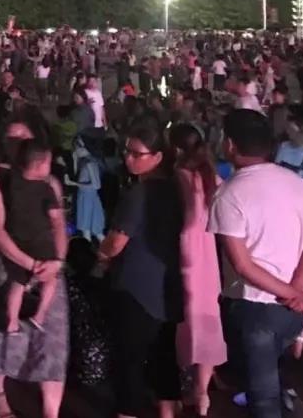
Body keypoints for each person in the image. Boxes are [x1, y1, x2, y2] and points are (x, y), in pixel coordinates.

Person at [209, 109, 303, 418]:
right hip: (295, 309)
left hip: (256, 308)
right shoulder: (299, 185)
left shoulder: (229, 194)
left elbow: (242, 265)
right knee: (277, 384)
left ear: (230, 144)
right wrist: (297, 291)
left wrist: (292, 293)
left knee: (262, 397)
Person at [0, 113, 68, 418]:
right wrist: (31, 264)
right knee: (5, 331)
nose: (16, 144)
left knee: (53, 336)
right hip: (13, 265)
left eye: (22, 138)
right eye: (10, 139)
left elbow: (58, 225)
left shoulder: (49, 181)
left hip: (48, 266)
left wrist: (56, 263)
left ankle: (51, 409)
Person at [96, 120, 184, 418]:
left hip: (135, 284)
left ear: (157, 156)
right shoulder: (177, 190)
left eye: (136, 153)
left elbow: (116, 242)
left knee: (129, 359)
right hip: (168, 284)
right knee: (164, 355)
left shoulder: (139, 194)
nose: (128, 158)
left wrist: (101, 255)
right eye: (127, 152)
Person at [170, 121, 226, 416]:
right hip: (209, 253)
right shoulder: (212, 176)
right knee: (207, 319)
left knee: (183, 317)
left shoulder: (179, 175)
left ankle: (182, 390)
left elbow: (186, 217)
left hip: (186, 251)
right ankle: (202, 393)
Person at [0, 139, 62, 334]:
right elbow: (55, 217)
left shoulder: (10, 183)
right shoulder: (45, 189)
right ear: (41, 165)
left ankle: (12, 323)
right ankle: (39, 316)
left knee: (18, 282)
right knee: (51, 279)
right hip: (41, 243)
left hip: (17, 242)